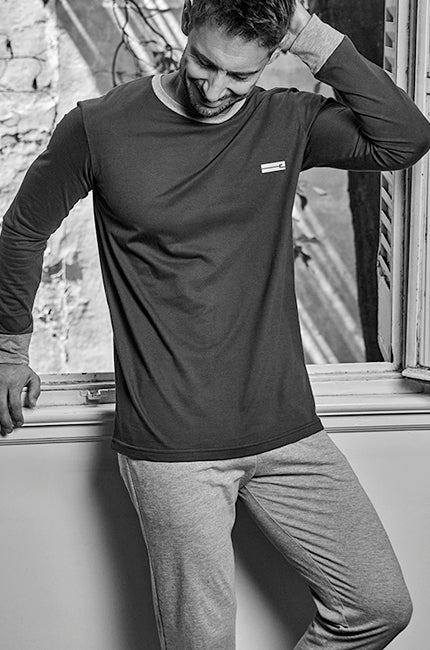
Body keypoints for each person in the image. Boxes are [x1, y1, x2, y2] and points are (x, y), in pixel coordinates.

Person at [1, 0, 429, 647]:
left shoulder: (286, 122)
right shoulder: (99, 127)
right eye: (203, 62)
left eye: (240, 75)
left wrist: (310, 35)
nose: (214, 87)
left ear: (272, 59)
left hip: (286, 429)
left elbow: (405, 137)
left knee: (378, 605)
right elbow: (23, 230)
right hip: (173, 446)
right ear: (186, 29)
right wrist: (10, 348)